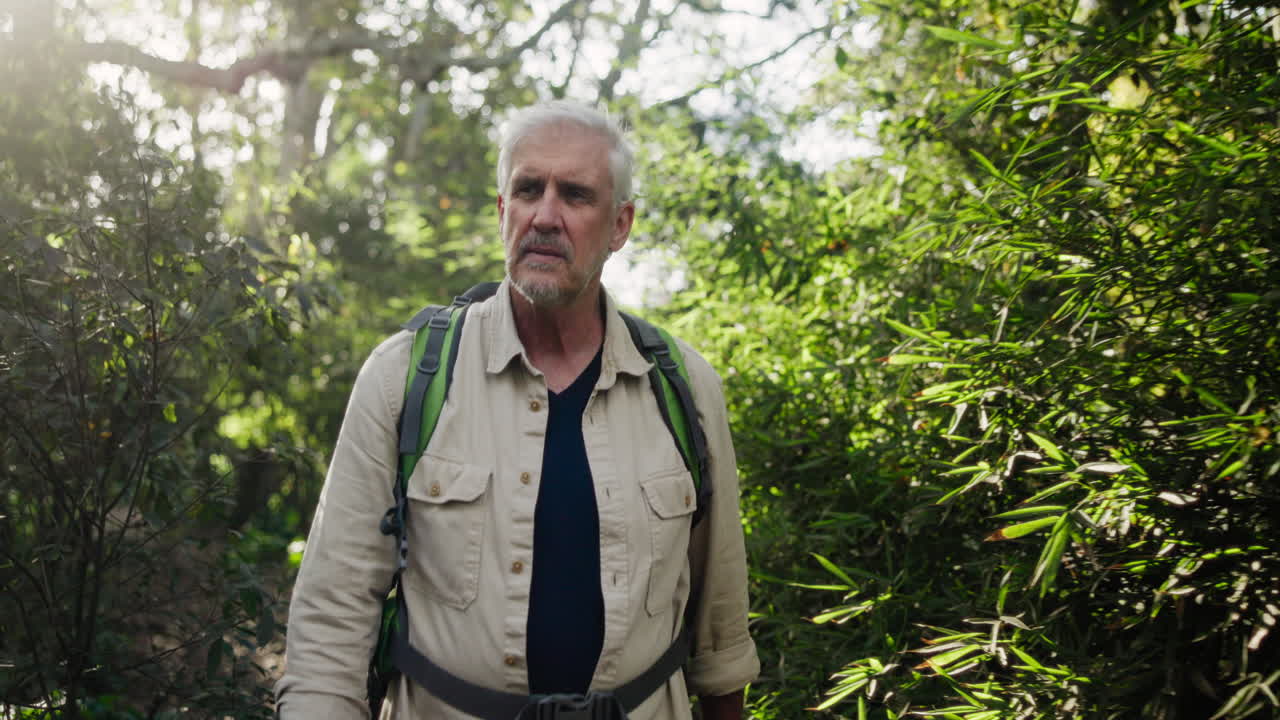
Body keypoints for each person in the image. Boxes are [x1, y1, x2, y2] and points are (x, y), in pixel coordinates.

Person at [275, 100, 759, 720]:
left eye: (577, 195)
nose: (546, 216)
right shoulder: (404, 377)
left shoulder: (684, 386)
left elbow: (720, 638)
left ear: (620, 226)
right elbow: (331, 622)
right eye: (528, 189)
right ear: (503, 211)